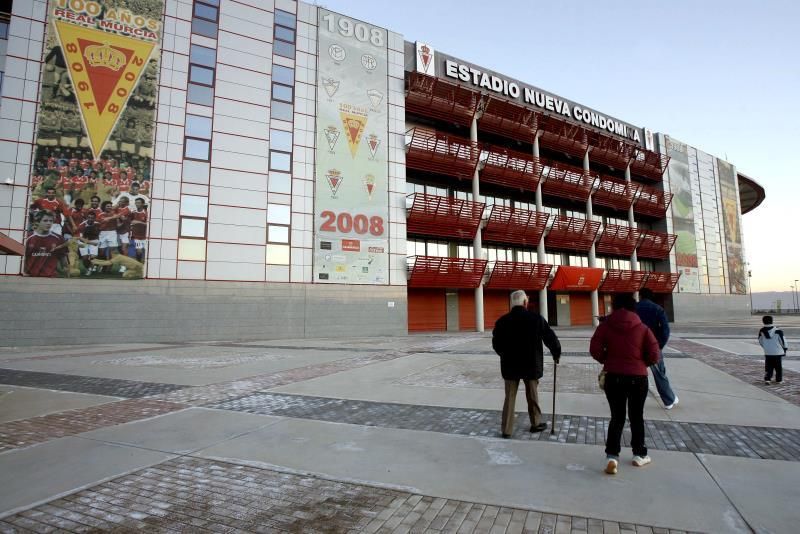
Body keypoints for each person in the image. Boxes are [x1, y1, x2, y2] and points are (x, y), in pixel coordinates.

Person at [591, 293, 660, 475]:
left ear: (614, 306)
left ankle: (612, 456)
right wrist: (642, 363)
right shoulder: (642, 328)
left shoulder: (606, 326)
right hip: (638, 377)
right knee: (636, 416)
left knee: (617, 416)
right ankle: (639, 454)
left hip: (614, 376)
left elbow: (594, 348)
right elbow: (654, 354)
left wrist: (607, 359)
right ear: (633, 307)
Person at [492, 290, 561, 438]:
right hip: (531, 364)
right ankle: (535, 423)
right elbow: (550, 337)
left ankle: (507, 429)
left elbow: (496, 344)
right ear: (525, 302)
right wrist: (556, 352)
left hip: (510, 366)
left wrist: (504, 355)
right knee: (532, 395)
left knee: (509, 397)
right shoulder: (536, 319)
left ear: (512, 303)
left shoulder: (502, 321)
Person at [636, 288, 679, 409]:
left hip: (637, 346)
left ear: (640, 296)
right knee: (659, 373)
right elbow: (665, 330)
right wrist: (659, 345)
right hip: (653, 346)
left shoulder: (634, 308)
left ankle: (633, 401)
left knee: (636, 373)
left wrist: (603, 319)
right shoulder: (658, 309)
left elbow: (622, 317)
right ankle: (669, 400)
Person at [24, 211, 70, 277]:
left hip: (51, 278)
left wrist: (67, 273)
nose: (48, 223)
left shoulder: (58, 238)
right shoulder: (27, 238)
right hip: (30, 277)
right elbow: (22, 258)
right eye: (45, 221)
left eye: (51, 221)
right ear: (37, 222)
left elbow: (63, 259)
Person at [759, 315, 788, 384]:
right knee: (778, 367)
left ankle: (767, 379)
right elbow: (783, 341)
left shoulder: (762, 331)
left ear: (763, 321)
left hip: (768, 352)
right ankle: (779, 380)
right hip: (778, 352)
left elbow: (760, 341)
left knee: (768, 366)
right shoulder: (778, 331)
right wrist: (785, 349)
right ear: (772, 321)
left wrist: (766, 347)